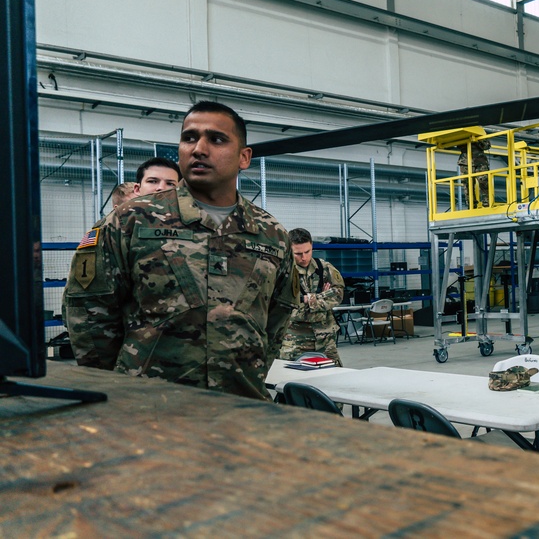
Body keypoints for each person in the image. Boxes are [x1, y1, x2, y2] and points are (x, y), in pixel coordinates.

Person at [63, 101, 298, 400]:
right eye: (189, 138)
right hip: (148, 407)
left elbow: (276, 322)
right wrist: (117, 389)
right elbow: (88, 312)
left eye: (216, 139)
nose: (199, 148)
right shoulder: (131, 220)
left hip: (241, 405)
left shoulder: (270, 234)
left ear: (244, 157)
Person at [280, 228, 346, 366]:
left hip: (325, 338)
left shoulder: (324, 268)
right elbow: (283, 303)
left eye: (307, 252)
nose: (304, 258)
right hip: (294, 341)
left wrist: (307, 299)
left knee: (333, 377)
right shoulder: (282, 272)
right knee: (291, 380)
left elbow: (338, 293)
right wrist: (322, 297)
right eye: (298, 254)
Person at [457, 139, 491, 209]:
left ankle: (486, 202)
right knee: (467, 183)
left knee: (483, 181)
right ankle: (471, 204)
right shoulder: (461, 133)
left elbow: (487, 146)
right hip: (465, 162)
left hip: (479, 161)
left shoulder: (478, 132)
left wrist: (477, 140)